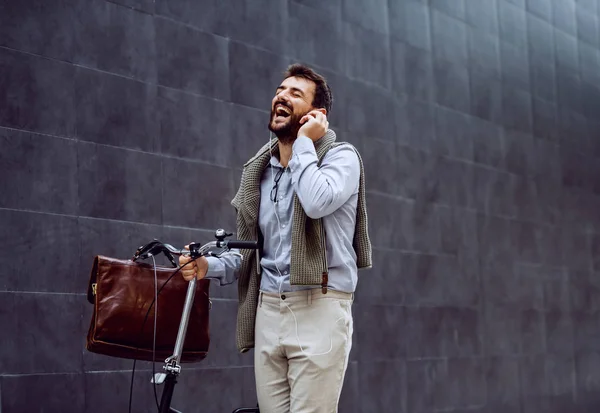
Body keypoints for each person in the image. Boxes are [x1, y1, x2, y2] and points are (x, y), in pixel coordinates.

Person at [180, 63, 372, 413]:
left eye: (295, 94)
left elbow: (315, 202)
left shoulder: (341, 159)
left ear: (317, 114)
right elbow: (254, 253)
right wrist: (209, 266)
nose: (281, 96)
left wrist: (303, 144)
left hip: (321, 307)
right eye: (280, 91)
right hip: (269, 310)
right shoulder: (260, 172)